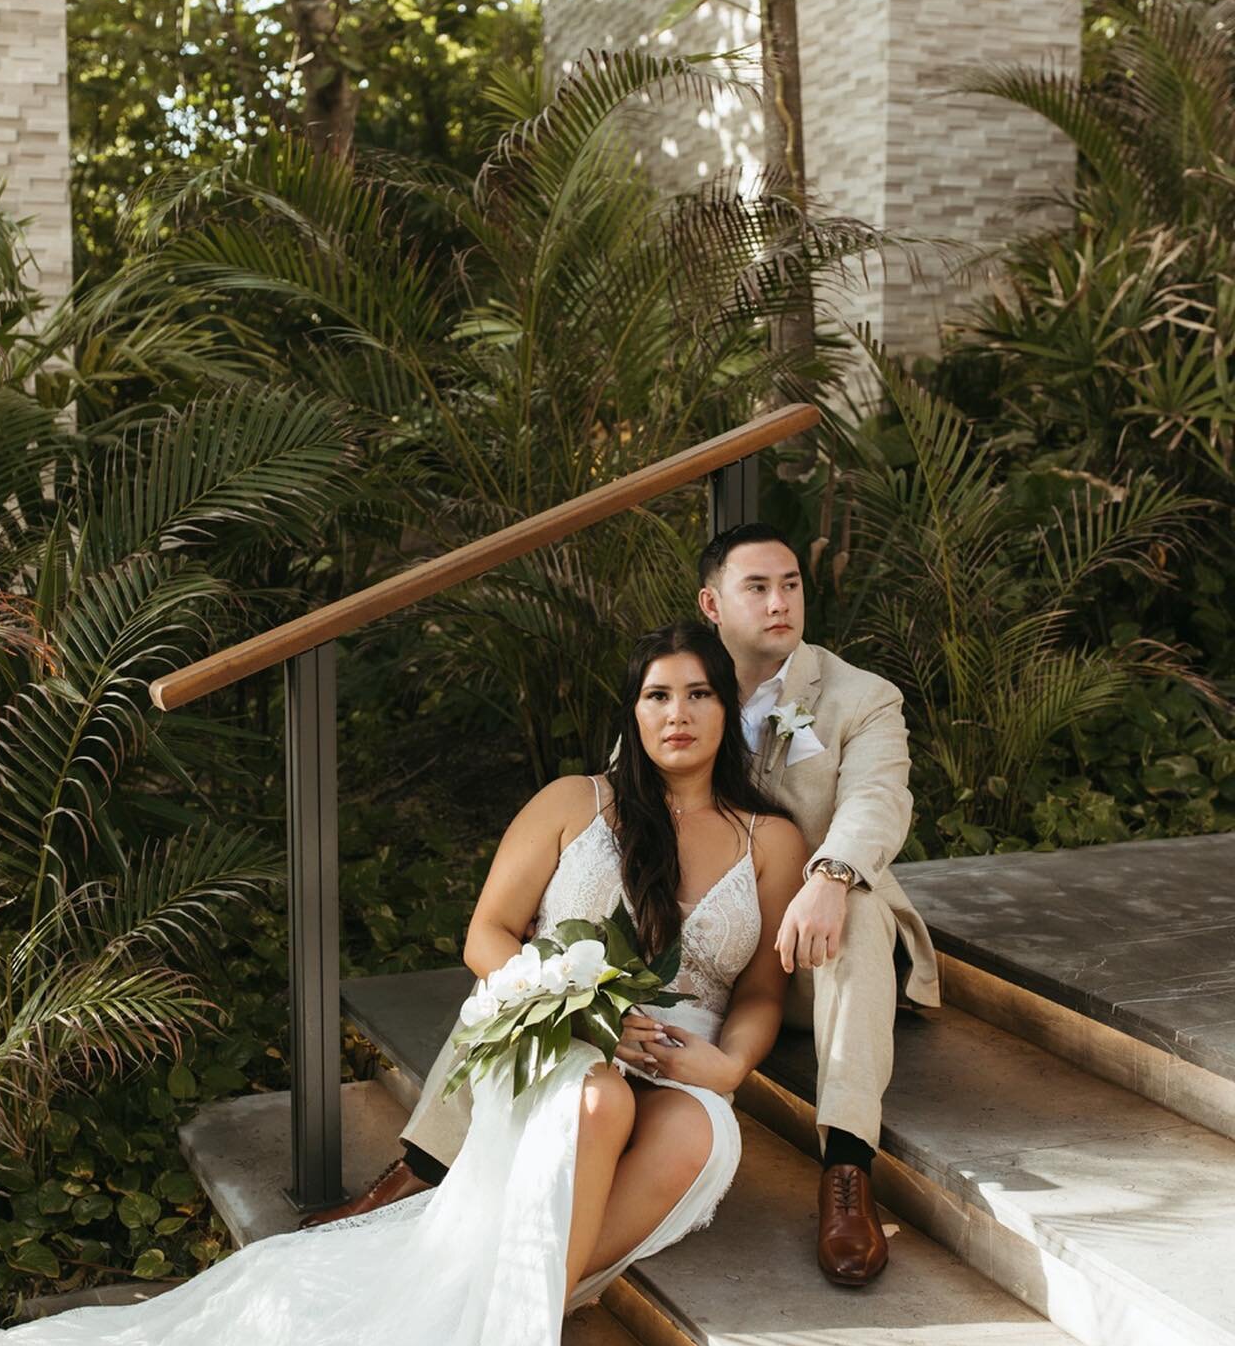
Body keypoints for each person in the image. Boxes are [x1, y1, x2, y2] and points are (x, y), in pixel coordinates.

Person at [0, 623, 805, 1346]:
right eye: (655, 696)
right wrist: (567, 1000)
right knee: (598, 1099)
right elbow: (486, 937)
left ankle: (502, 1309)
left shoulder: (770, 841)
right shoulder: (572, 804)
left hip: (679, 1059)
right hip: (551, 1037)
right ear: (632, 712)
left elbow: (758, 991)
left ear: (728, 708)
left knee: (697, 1137)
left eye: (698, 695)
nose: (677, 714)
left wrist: (726, 1062)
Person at [308, 524, 937, 1288]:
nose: (781, 603)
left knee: (858, 909)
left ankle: (846, 1168)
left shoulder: (859, 696)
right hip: (681, 959)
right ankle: (427, 1162)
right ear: (712, 603)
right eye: (758, 587)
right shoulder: (675, 686)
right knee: (568, 903)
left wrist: (828, 874)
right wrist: (571, 984)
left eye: (792, 584)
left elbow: (876, 799)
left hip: (815, 938)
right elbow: (623, 823)